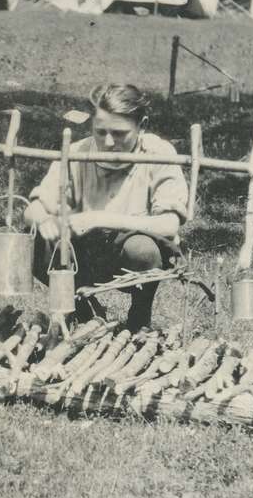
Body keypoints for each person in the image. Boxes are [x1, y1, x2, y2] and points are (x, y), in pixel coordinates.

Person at [23, 83, 188, 330]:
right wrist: (44, 220)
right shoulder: (77, 152)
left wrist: (99, 218)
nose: (108, 142)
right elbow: (33, 208)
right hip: (84, 252)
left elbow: (169, 223)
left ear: (142, 125)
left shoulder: (158, 153)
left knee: (143, 250)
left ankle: (140, 314)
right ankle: (81, 311)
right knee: (37, 242)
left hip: (133, 252)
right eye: (100, 132)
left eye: (120, 133)